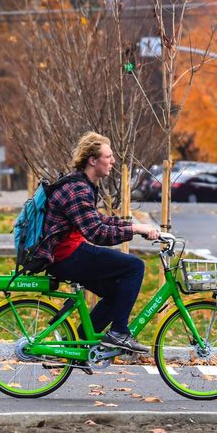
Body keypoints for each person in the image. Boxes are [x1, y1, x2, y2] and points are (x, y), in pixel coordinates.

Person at [35, 131, 159, 353]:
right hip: (64, 256)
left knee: (117, 292)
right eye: (108, 156)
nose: (113, 161)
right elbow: (96, 233)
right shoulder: (78, 189)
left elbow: (97, 219)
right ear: (93, 160)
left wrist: (132, 227)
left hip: (66, 253)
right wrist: (135, 229)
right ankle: (119, 333)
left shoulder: (82, 184)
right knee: (134, 266)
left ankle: (79, 345)